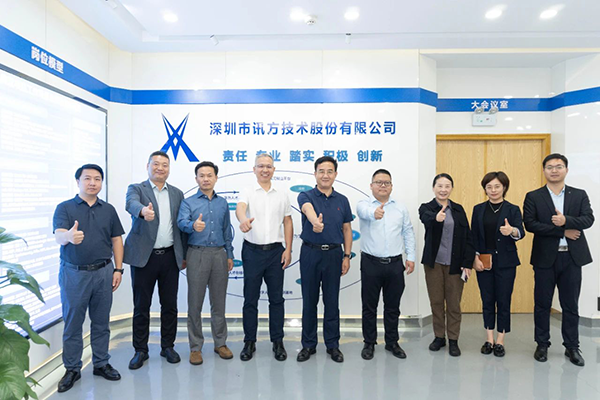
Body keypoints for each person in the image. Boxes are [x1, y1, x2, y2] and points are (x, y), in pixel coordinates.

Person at [53, 164, 125, 393]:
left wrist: (118, 269)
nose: (92, 183)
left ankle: (101, 363)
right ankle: (72, 368)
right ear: (78, 181)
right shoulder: (65, 207)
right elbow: (58, 235)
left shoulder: (108, 209)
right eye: (87, 178)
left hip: (104, 272)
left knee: (101, 322)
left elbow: (116, 240)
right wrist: (68, 236)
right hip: (74, 273)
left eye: (97, 179)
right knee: (73, 323)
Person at [523, 153, 594, 367]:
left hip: (572, 257)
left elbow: (588, 219)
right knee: (542, 303)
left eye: (559, 166)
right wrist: (562, 231)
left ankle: (572, 346)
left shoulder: (579, 194)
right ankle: (542, 344)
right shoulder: (534, 196)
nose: (554, 170)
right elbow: (530, 224)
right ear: (544, 170)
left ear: (566, 170)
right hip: (544, 258)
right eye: (550, 167)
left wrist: (566, 221)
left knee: (570, 304)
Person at [124, 151, 187, 369]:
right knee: (141, 306)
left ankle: (167, 346)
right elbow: (130, 204)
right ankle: (140, 350)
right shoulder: (137, 189)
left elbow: (181, 226)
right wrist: (142, 211)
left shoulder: (177, 193)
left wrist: (183, 255)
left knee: (170, 305)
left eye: (165, 165)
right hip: (144, 257)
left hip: (170, 257)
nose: (160, 168)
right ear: (148, 166)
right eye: (156, 164)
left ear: (169, 169)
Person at [235, 154, 293, 361]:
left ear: (273, 170)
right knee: (250, 299)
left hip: (276, 251)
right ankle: (249, 342)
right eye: (261, 166)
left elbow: (288, 221)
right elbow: (240, 208)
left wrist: (288, 249)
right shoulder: (247, 190)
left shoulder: (282, 193)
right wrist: (243, 220)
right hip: (252, 252)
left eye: (268, 166)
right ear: (254, 169)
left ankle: (277, 341)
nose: (265, 170)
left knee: (276, 299)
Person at [297, 156, 353, 363]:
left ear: (335, 174)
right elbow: (307, 209)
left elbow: (347, 229)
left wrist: (347, 255)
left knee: (331, 301)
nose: (325, 175)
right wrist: (315, 222)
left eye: (330, 171)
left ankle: (333, 345)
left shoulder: (342, 200)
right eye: (321, 171)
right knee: (309, 301)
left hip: (334, 254)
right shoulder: (306, 195)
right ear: (315, 174)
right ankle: (308, 344)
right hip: (310, 253)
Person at [177, 161, 234, 365]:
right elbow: (181, 223)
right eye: (202, 175)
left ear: (216, 178)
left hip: (219, 254)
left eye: (210, 175)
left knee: (218, 303)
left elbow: (227, 230)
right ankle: (195, 347)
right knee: (195, 303)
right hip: (197, 254)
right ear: (196, 179)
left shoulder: (223, 203)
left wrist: (229, 255)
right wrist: (193, 225)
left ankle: (220, 343)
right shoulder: (188, 202)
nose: (206, 179)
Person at [356, 169, 416, 360]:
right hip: (371, 263)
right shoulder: (364, 204)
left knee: (393, 307)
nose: (383, 185)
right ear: (371, 185)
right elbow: (363, 213)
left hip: (395, 264)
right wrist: (374, 213)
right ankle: (369, 342)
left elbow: (407, 231)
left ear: (391, 186)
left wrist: (411, 256)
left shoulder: (400, 208)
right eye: (379, 182)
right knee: (369, 306)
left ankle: (392, 342)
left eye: (387, 183)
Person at [419, 173, 475, 357]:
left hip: (455, 265)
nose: (443, 189)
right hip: (434, 264)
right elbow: (425, 217)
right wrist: (436, 217)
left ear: (451, 188)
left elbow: (468, 237)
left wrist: (467, 263)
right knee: (436, 302)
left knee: (453, 303)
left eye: (447, 186)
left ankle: (453, 339)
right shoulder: (427, 208)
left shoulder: (458, 209)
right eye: (440, 186)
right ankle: (439, 337)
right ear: (433, 188)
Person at [471, 171, 525, 357]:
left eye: (497, 186)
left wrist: (512, 231)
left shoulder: (512, 209)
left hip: (506, 262)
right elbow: (473, 236)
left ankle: (500, 340)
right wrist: (475, 258)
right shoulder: (478, 209)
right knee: (487, 300)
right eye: (489, 187)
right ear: (485, 189)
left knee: (503, 300)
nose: (493, 190)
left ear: (504, 187)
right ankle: (489, 339)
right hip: (484, 261)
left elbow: (521, 232)